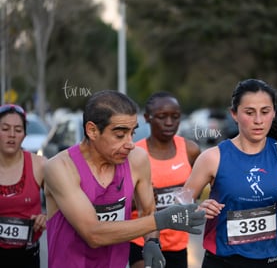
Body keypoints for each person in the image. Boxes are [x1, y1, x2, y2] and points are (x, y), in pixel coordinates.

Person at [44, 90, 205, 268]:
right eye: (120, 135)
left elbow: (147, 210)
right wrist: (162, 220)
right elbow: (93, 234)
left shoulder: (137, 159)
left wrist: (152, 242)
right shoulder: (60, 167)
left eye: (132, 133)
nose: (129, 143)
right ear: (92, 130)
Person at [184, 79, 277, 268]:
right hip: (221, 263)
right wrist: (197, 210)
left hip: (268, 263)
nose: (258, 120)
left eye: (265, 112)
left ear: (273, 113)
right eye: (249, 113)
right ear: (234, 114)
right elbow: (179, 206)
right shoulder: (212, 157)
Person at [129, 92, 201, 268]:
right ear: (147, 118)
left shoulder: (191, 150)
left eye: (175, 117)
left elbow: (198, 192)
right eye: (162, 117)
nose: (169, 123)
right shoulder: (134, 154)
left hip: (177, 241)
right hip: (142, 238)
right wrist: (140, 200)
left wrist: (189, 201)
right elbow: (120, 201)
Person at [0, 104, 47, 268]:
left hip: (27, 256)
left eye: (18, 130)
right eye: (5, 129)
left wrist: (46, 217)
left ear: (25, 134)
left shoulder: (39, 164)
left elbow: (62, 202)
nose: (11, 135)